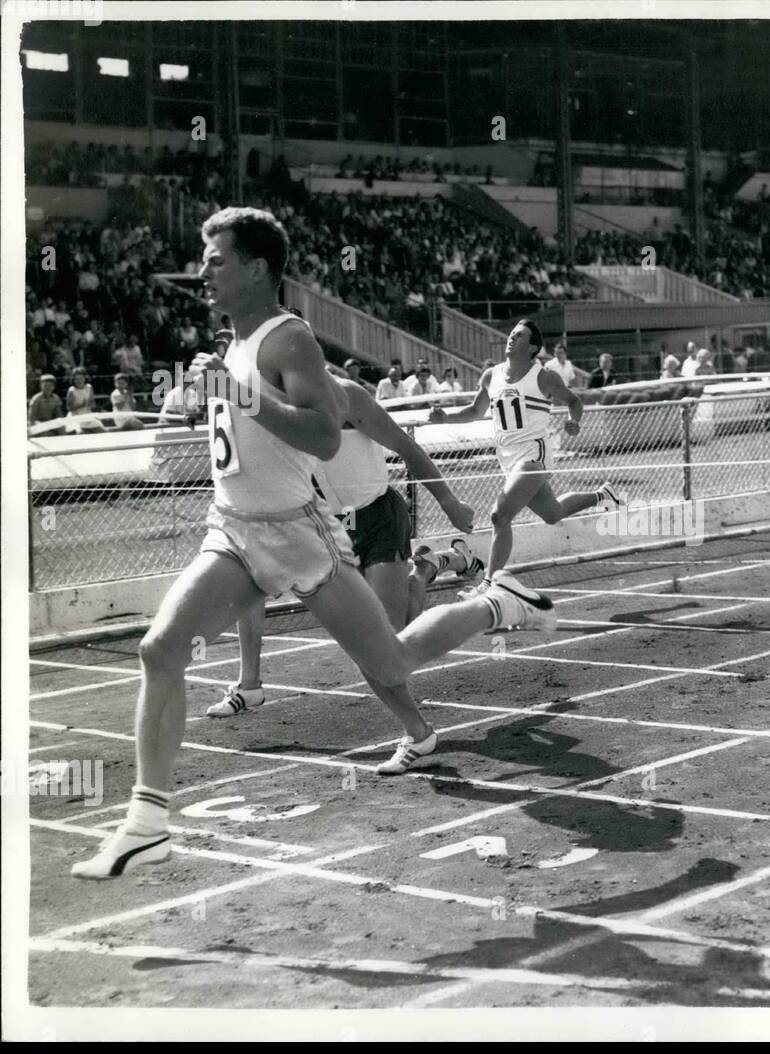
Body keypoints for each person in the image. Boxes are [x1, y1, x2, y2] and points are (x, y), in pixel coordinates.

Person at [72, 208, 557, 879]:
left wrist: (237, 396)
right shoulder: (233, 347)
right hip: (236, 530)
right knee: (160, 650)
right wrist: (213, 394)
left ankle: (492, 605)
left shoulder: (289, 338)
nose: (203, 270)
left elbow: (325, 436)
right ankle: (148, 822)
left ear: (258, 267)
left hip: (301, 535)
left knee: (391, 662)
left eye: (216, 258)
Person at [206, 368, 483, 760]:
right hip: (327, 526)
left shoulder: (347, 396)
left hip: (378, 518)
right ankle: (250, 684)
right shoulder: (271, 407)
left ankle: (429, 573)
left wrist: (450, 502)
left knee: (389, 647)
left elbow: (407, 447)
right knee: (253, 579)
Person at [429, 319, 625, 586]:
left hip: (534, 454)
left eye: (519, 336)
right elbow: (475, 411)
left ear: (533, 347)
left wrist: (574, 422)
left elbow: (574, 401)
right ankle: (603, 495)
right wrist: (445, 419)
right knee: (552, 513)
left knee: (500, 515)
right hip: (507, 458)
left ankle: (489, 585)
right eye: (512, 334)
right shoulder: (491, 375)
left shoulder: (543, 376)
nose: (511, 338)